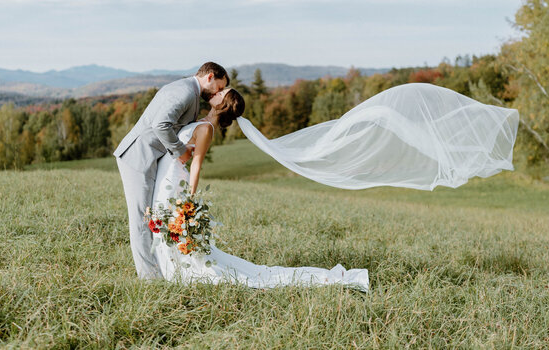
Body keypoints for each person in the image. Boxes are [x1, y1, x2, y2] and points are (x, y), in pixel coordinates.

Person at [150, 88, 371, 291]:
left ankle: (178, 269)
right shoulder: (200, 120)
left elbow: (196, 164)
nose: (215, 93)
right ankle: (170, 266)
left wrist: (189, 200)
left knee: (176, 229)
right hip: (168, 178)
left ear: (222, 104)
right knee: (166, 226)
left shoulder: (206, 129)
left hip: (177, 182)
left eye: (220, 93)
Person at [114, 62, 228, 279]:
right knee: (140, 219)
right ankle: (149, 278)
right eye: (219, 87)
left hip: (149, 158)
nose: (218, 92)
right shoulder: (185, 92)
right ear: (210, 77)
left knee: (149, 216)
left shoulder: (187, 90)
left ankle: (157, 270)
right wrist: (181, 151)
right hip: (138, 156)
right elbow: (161, 125)